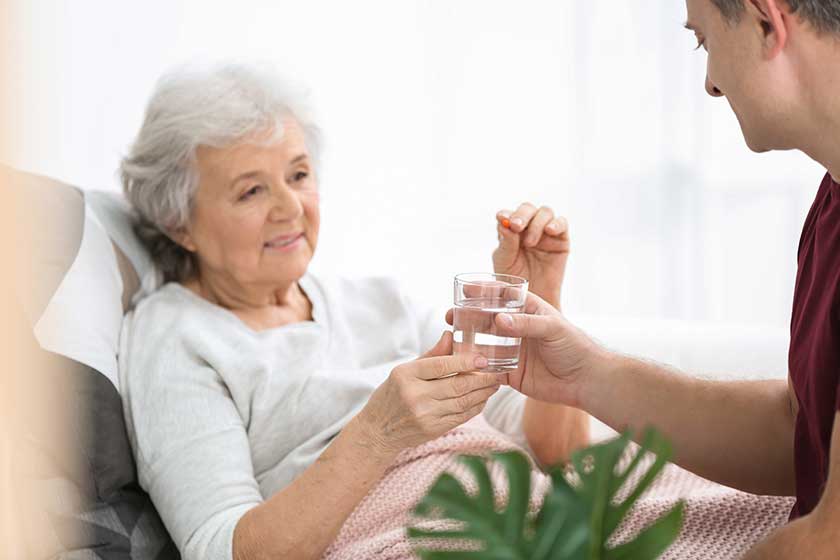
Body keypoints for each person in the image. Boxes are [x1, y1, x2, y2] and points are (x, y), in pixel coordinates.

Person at [117, 62, 589, 560]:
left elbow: (561, 455)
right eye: (251, 190)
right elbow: (220, 550)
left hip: (533, 522)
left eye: (298, 175)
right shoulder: (176, 339)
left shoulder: (378, 301)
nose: (291, 208)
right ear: (178, 222)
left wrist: (542, 309)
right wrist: (377, 433)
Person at [487, 1, 840, 557]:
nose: (710, 83)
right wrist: (584, 374)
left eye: (704, 41)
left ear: (765, 21)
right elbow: (797, 431)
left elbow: (828, 541)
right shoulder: (832, 202)